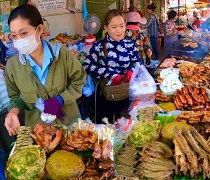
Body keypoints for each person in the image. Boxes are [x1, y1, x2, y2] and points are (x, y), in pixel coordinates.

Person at [4, 4, 86, 135]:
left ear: (40, 29)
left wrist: (61, 99)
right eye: (14, 35)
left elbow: (79, 81)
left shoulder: (62, 54)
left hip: (69, 126)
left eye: (24, 33)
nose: (19, 40)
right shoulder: (13, 66)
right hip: (38, 132)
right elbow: (15, 96)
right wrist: (13, 111)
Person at [83, 9, 142, 122]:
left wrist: (131, 70)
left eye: (121, 26)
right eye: (114, 27)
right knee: (106, 128)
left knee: (124, 126)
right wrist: (110, 73)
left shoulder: (130, 44)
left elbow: (138, 63)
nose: (119, 30)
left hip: (126, 94)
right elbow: (87, 66)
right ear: (106, 28)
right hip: (105, 96)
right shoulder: (99, 46)